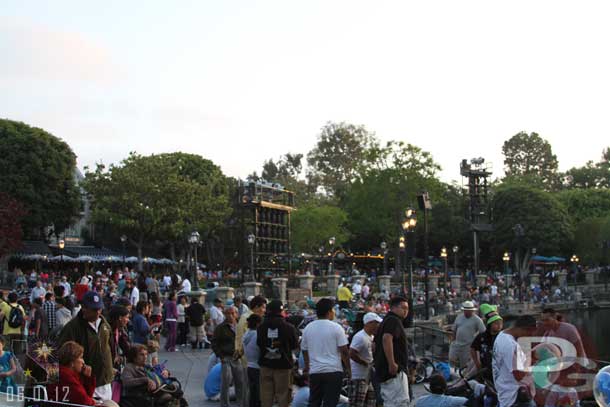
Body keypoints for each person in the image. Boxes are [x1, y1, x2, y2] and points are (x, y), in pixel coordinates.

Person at [58, 291, 115, 402]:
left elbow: (111, 346)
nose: (98, 312)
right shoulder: (72, 328)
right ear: (84, 308)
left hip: (106, 381)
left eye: (99, 309)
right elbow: (62, 355)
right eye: (94, 310)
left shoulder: (104, 324)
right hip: (87, 382)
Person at [301, 298, 350, 407]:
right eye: (333, 310)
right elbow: (344, 352)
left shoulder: (308, 328)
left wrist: (308, 366)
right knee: (331, 402)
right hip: (333, 371)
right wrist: (349, 369)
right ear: (329, 312)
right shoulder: (337, 328)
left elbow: (304, 350)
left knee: (314, 402)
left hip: (315, 372)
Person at [48, 341, 118, 407]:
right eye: (81, 357)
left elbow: (86, 397)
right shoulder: (66, 376)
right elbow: (84, 401)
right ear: (72, 362)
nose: (83, 362)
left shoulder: (64, 373)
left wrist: (88, 379)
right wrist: (96, 403)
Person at [257, 300, 299, 407]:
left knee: (266, 396)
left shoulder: (261, 327)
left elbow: (259, 344)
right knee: (283, 395)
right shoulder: (289, 327)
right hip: (283, 366)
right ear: (281, 311)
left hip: (265, 365)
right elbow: (294, 346)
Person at [493, 315, 537, 407]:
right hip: (515, 395)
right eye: (529, 334)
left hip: (504, 390)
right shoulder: (511, 345)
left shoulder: (501, 335)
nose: (528, 337)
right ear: (525, 329)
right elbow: (518, 375)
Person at [373, 296, 410, 407]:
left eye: (407, 308)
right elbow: (386, 338)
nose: (406, 311)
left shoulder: (385, 321)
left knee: (389, 401)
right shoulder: (394, 320)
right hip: (394, 370)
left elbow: (374, 345)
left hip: (384, 370)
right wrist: (391, 363)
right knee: (399, 401)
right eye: (403, 308)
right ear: (394, 308)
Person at [212, 306, 246, 407]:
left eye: (232, 313)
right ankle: (225, 404)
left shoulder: (240, 326)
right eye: (228, 314)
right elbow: (214, 343)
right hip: (226, 356)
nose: (230, 316)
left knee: (240, 382)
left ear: (236, 314)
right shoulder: (220, 328)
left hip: (238, 357)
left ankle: (241, 403)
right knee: (225, 383)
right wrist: (220, 356)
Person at [349, 312, 382, 407]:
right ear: (369, 323)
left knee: (370, 402)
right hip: (358, 376)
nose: (378, 326)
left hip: (367, 376)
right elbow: (351, 353)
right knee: (357, 404)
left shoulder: (371, 337)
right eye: (376, 323)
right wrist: (365, 363)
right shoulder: (360, 337)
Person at [449, 301, 486, 373]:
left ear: (472, 310)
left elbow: (483, 332)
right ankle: (453, 371)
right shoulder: (459, 317)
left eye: (468, 311)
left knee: (464, 363)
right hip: (456, 343)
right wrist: (453, 340)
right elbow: (454, 329)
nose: (466, 312)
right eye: (465, 310)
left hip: (468, 345)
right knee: (451, 358)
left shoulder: (477, 320)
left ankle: (462, 375)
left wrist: (477, 341)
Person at [470, 304, 503, 383]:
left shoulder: (503, 337)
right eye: (496, 323)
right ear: (489, 324)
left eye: (500, 323)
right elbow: (473, 348)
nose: (499, 325)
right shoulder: (482, 337)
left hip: (499, 370)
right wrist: (477, 362)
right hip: (485, 370)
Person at [243, 314, 262, 407]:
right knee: (258, 393)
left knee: (252, 391)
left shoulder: (246, 334)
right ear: (258, 324)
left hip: (249, 365)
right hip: (257, 366)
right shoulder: (257, 335)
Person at [108, 305, 131, 369]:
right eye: (126, 317)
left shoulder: (119, 330)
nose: (128, 320)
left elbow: (127, 348)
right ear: (120, 318)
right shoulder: (107, 331)